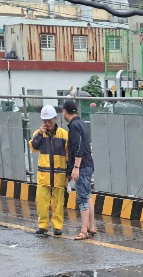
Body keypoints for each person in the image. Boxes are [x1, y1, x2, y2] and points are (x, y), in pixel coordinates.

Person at [30, 104, 69, 236]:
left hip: (59, 174)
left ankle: (57, 227)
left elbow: (69, 154)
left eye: (49, 120)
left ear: (55, 119)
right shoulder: (38, 134)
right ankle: (43, 226)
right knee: (42, 203)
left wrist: (68, 174)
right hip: (44, 175)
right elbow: (34, 146)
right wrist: (40, 134)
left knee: (58, 203)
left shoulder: (63, 135)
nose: (47, 123)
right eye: (45, 121)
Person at [61, 98, 97, 240]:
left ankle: (84, 231)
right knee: (87, 196)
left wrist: (75, 167)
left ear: (65, 111)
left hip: (81, 166)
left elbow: (78, 147)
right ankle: (91, 226)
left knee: (82, 198)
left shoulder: (74, 126)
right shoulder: (81, 123)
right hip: (88, 165)